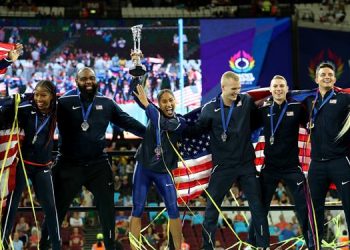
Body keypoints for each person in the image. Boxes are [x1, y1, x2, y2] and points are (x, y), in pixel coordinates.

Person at [40, 67, 146, 250]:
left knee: (107, 211)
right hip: (68, 164)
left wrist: (153, 134)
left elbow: (128, 122)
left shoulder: (106, 102)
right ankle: (44, 245)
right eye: (83, 79)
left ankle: (110, 247)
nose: (88, 82)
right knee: (55, 211)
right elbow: (41, 120)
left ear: (96, 80)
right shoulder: (63, 101)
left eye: (91, 78)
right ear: (76, 81)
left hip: (98, 165)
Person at [184, 71, 269, 250]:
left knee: (258, 207)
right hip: (222, 166)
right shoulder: (209, 109)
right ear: (223, 88)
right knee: (211, 211)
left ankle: (263, 246)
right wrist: (177, 128)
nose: (236, 92)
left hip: (246, 164)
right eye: (233, 89)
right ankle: (207, 247)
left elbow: (257, 121)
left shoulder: (246, 102)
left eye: (238, 88)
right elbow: (196, 131)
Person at [248, 75, 311, 248]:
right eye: (275, 86)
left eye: (281, 86)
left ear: (287, 88)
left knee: (304, 208)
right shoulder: (264, 108)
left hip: (292, 167)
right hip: (270, 167)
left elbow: (311, 126)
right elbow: (245, 126)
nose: (278, 89)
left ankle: (312, 243)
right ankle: (254, 244)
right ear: (270, 89)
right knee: (260, 208)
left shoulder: (297, 108)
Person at [0, 80, 61, 249]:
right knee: (12, 204)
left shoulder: (58, 110)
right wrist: (20, 98)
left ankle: (55, 245)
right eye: (36, 94)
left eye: (43, 95)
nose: (39, 98)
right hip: (22, 164)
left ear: (52, 96)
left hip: (43, 166)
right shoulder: (25, 108)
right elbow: (4, 111)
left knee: (50, 207)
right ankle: (3, 242)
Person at [129, 84, 186, 250]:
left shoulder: (179, 121)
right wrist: (137, 71)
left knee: (173, 208)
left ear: (175, 102)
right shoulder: (152, 112)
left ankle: (177, 248)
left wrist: (148, 105)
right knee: (137, 208)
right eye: (164, 102)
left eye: (170, 101)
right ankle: (134, 248)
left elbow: (164, 124)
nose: (168, 104)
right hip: (144, 167)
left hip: (163, 171)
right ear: (159, 104)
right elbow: (136, 93)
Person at [305, 62, 350, 248]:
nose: (326, 77)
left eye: (330, 74)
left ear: (335, 78)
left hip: (340, 161)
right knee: (314, 210)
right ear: (316, 78)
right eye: (322, 74)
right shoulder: (307, 100)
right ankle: (314, 246)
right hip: (316, 164)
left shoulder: (344, 99)